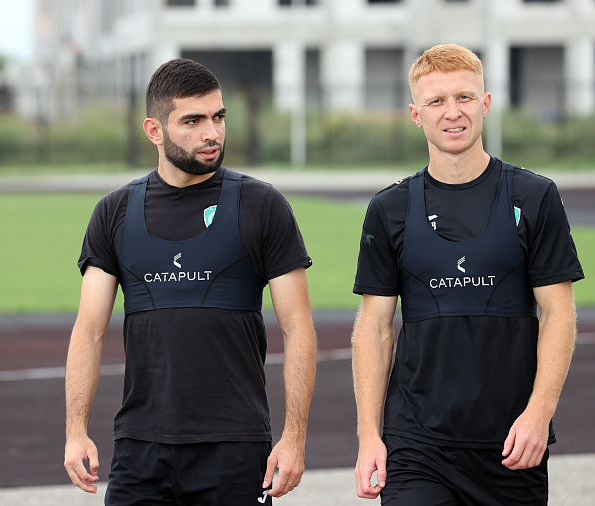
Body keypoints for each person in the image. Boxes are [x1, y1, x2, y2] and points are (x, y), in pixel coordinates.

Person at [63, 58, 317, 506]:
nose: (212, 133)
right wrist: (75, 432)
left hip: (236, 447)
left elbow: (298, 328)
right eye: (193, 121)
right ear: (154, 130)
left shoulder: (263, 206)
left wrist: (294, 438)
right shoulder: (115, 212)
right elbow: (89, 329)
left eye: (218, 117)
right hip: (140, 448)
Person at [352, 44, 583, 506]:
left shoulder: (534, 196)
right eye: (436, 101)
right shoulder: (389, 208)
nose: (452, 112)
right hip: (416, 443)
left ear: (486, 103)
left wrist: (539, 413)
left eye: (464, 97)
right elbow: (374, 327)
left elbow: (559, 312)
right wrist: (369, 436)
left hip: (511, 443)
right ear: (416, 115)